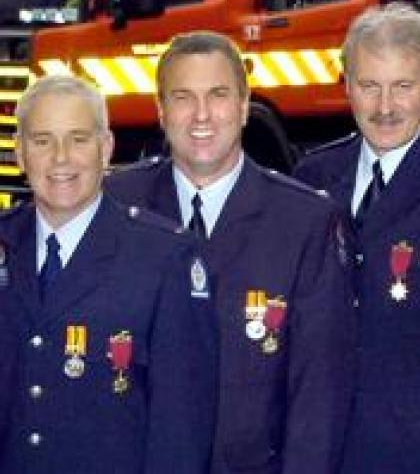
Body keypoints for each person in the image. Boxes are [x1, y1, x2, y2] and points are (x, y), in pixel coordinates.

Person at [105, 31, 356, 474]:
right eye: (183, 97)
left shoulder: (305, 222)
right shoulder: (114, 205)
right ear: (161, 112)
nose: (201, 115)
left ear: (243, 107)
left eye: (218, 95)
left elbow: (318, 395)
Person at [293, 2, 420, 473]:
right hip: (334, 453)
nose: (385, 108)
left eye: (402, 87)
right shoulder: (314, 177)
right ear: (346, 87)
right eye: (369, 86)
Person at [0, 75, 217, 474]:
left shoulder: (163, 257)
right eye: (42, 141)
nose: (60, 158)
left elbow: (181, 426)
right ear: (19, 154)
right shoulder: (5, 242)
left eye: (79, 139)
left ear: (106, 149)